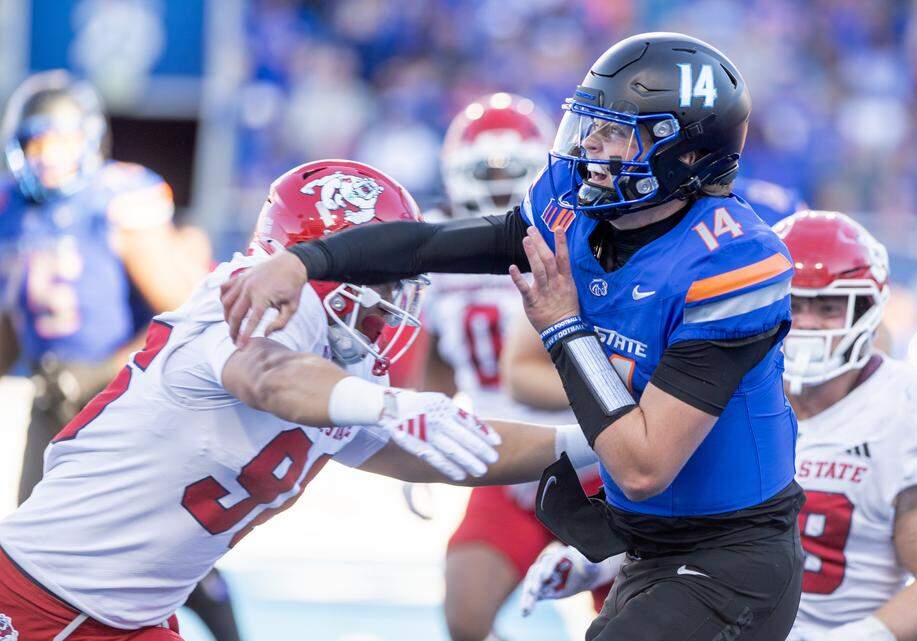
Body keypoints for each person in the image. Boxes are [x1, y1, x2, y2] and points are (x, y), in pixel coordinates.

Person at [221, 33, 804, 641]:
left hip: (733, 553)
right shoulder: (575, 213)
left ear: (685, 153)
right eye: (589, 125)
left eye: (616, 132)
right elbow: (427, 244)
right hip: (645, 542)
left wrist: (564, 328)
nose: (590, 146)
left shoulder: (731, 263)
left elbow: (642, 466)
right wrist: (306, 260)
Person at [0, 159, 584, 640]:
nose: (390, 303)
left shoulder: (336, 376)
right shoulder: (252, 298)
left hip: (126, 615)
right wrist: (388, 406)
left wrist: (593, 447)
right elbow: (267, 378)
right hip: (42, 595)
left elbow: (442, 452)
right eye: (380, 279)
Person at [519, 211, 917, 641]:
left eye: (830, 308)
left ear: (866, 312)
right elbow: (693, 524)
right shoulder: (708, 385)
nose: (809, 324)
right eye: (796, 303)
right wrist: (597, 563)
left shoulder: (908, 411)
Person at [0, 70, 240, 640]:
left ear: (90, 140)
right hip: (51, 394)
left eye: (61, 141)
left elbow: (184, 316)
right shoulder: (11, 209)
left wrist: (102, 372)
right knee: (36, 551)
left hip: (124, 396)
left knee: (152, 543)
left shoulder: (117, 201)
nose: (49, 157)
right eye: (37, 142)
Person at [419, 93, 608, 641]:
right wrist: (417, 426)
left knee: (630, 622)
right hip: (504, 461)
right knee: (465, 615)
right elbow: (432, 360)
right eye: (484, 173)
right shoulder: (439, 244)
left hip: (602, 466)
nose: (499, 188)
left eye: (514, 173)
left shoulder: (583, 236)